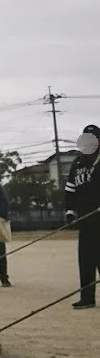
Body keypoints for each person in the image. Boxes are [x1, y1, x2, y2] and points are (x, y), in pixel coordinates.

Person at [65, 124, 100, 310]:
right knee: (85, 259)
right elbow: (70, 189)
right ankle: (87, 298)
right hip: (85, 220)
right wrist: (69, 210)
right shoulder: (77, 163)